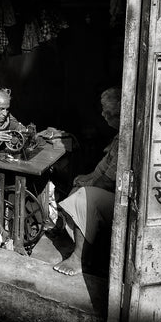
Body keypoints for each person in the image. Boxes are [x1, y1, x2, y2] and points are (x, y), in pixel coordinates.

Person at [53, 87, 121, 276]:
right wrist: (86, 180)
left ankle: (79, 258)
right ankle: (84, 246)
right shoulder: (118, 136)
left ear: (115, 114)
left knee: (84, 197)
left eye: (106, 112)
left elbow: (107, 182)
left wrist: (87, 186)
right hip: (107, 189)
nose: (102, 114)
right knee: (77, 185)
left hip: (120, 198)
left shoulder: (127, 139)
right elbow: (101, 172)